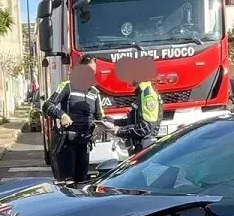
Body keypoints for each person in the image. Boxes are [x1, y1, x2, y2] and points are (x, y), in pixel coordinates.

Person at [43, 55, 104, 184]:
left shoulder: (95, 93)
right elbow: (47, 105)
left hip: (84, 143)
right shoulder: (67, 86)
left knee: (81, 183)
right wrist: (61, 114)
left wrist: (99, 127)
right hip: (67, 143)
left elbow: (99, 117)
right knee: (67, 183)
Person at [114, 56, 162, 154]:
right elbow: (137, 121)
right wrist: (115, 122)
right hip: (140, 146)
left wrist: (120, 131)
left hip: (144, 148)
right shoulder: (142, 93)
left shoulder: (148, 95)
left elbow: (146, 128)